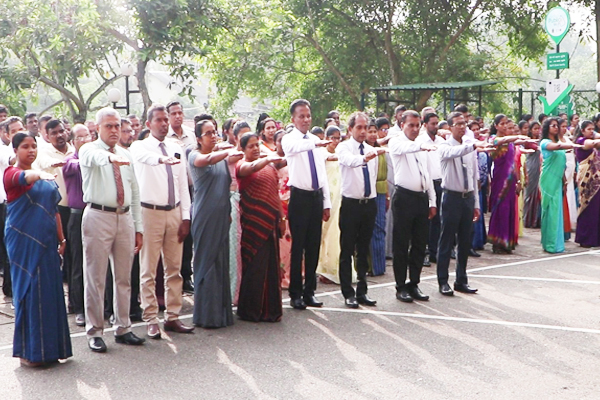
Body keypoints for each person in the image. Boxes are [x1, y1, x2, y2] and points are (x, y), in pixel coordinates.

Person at [80, 107, 146, 353]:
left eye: (117, 125)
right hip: (98, 216)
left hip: (124, 217)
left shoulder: (126, 154)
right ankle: (95, 331)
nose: (114, 130)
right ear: (97, 128)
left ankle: (123, 327)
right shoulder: (89, 149)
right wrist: (109, 158)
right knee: (96, 278)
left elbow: (135, 192)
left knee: (124, 277)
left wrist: (138, 227)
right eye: (109, 126)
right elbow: (94, 158)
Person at [4, 132, 72, 367]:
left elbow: (54, 210)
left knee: (50, 291)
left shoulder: (46, 177)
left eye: (34, 146)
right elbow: (25, 177)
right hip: (23, 241)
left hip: (48, 242)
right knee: (30, 291)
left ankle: (53, 350)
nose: (31, 150)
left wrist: (62, 239)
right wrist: (39, 174)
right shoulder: (11, 173)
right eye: (25, 146)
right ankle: (29, 353)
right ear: (15, 150)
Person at [130, 104, 194, 338]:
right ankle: (150, 317)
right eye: (159, 120)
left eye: (166, 119)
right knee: (148, 269)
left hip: (174, 212)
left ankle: (173, 316)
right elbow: (144, 158)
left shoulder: (176, 147)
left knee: (174, 269)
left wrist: (185, 217)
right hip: (150, 213)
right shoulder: (139, 146)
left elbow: (183, 185)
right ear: (149, 124)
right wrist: (161, 159)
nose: (164, 123)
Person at [189, 119, 241, 328]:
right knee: (207, 264)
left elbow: (226, 186)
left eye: (214, 132)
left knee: (221, 262)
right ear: (199, 138)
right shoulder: (194, 155)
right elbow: (207, 159)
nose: (213, 136)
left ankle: (222, 314)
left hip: (221, 216)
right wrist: (228, 151)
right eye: (208, 133)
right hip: (205, 217)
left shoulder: (222, 158)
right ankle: (207, 316)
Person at [282, 99, 332, 310]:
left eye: (308, 116)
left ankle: (310, 291)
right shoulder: (289, 139)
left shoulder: (314, 140)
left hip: (315, 197)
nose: (306, 120)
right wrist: (315, 143)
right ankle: (295, 293)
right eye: (301, 116)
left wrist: (326, 202)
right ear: (293, 119)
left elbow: (322, 173)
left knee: (313, 246)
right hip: (300, 197)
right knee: (298, 247)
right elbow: (295, 148)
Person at [437, 113, 490, 296]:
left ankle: (461, 279)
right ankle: (443, 280)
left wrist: (476, 203)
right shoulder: (445, 145)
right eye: (458, 124)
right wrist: (472, 145)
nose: (462, 127)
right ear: (450, 127)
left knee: (464, 241)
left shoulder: (469, 145)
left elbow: (473, 175)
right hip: (451, 197)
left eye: (464, 124)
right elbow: (452, 153)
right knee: (446, 240)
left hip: (467, 197)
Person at [388, 110, 437, 303]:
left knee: (419, 244)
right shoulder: (396, 142)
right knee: (401, 244)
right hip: (404, 197)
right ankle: (400, 286)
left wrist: (432, 201)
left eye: (418, 126)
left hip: (421, 198)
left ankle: (414, 283)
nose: (415, 129)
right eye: (411, 125)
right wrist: (421, 145)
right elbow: (405, 148)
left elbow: (427, 175)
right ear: (402, 125)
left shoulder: (421, 146)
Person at [336, 112, 384, 308]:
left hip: (368, 204)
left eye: (366, 128)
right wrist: (365, 158)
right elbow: (350, 161)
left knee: (364, 249)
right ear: (350, 129)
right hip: (351, 204)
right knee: (347, 248)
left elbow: (372, 177)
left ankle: (362, 290)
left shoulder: (372, 150)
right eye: (359, 128)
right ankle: (348, 292)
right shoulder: (343, 147)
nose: (363, 131)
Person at [235, 133, 284, 321]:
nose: (255, 149)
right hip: (253, 224)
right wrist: (267, 159)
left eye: (257, 145)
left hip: (270, 221)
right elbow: (251, 168)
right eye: (251, 146)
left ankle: (271, 311)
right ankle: (251, 311)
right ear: (242, 149)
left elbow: (275, 194)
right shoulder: (242, 165)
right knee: (254, 265)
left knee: (271, 265)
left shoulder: (269, 166)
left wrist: (281, 218)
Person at [34, 119, 75, 286]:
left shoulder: (74, 150)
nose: (59, 135)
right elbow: (44, 163)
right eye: (54, 133)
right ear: (47, 136)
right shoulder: (43, 152)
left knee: (75, 254)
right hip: (56, 209)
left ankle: (74, 294)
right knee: (57, 251)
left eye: (61, 131)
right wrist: (56, 163)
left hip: (76, 208)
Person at [62, 124, 93, 327]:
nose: (84, 140)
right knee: (78, 263)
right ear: (73, 142)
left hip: (97, 213)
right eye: (79, 138)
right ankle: (78, 307)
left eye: (87, 136)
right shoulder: (70, 160)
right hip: (77, 215)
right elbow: (74, 165)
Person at [487, 114, 531, 254]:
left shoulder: (512, 143)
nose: (505, 126)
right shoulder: (493, 140)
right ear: (496, 126)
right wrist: (518, 137)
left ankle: (508, 242)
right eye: (502, 123)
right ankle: (498, 243)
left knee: (510, 210)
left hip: (511, 181)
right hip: (500, 182)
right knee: (501, 209)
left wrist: (518, 181)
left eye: (506, 123)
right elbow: (502, 141)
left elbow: (513, 163)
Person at [166, 101, 195, 294]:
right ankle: (172, 278)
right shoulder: (165, 137)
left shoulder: (190, 135)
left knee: (188, 233)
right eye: (173, 113)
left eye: (180, 112)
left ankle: (186, 275)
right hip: (171, 191)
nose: (178, 116)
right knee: (174, 234)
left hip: (191, 190)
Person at [540, 118, 580, 253]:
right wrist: (573, 145)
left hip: (558, 180)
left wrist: (563, 179)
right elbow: (557, 147)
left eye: (557, 126)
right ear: (547, 128)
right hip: (548, 180)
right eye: (553, 126)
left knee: (557, 210)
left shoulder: (559, 142)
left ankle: (556, 243)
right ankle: (549, 244)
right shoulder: (545, 142)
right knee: (550, 210)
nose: (556, 128)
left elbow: (561, 161)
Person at [316, 126, 344, 284]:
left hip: (339, 198)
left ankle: (335, 269)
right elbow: (330, 158)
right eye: (333, 137)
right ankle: (322, 269)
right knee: (323, 232)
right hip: (326, 198)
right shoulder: (322, 153)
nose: (336, 141)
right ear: (326, 138)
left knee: (337, 232)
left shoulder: (341, 151)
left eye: (338, 138)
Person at [416, 112, 444, 266]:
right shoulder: (420, 142)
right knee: (426, 219)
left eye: (436, 123)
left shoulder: (441, 142)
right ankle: (424, 252)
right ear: (425, 125)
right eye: (432, 123)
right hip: (427, 184)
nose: (435, 126)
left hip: (441, 183)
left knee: (438, 220)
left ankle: (434, 251)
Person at [0, 117, 20, 297]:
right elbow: (12, 160)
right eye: (14, 131)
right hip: (8, 203)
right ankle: (10, 286)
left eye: (20, 129)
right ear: (6, 134)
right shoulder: (4, 150)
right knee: (10, 246)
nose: (18, 134)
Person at [365, 119, 387, 276]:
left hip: (380, 190)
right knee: (367, 229)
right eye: (369, 131)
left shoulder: (381, 150)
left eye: (374, 131)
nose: (372, 134)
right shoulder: (363, 151)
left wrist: (387, 195)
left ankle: (379, 267)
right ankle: (368, 266)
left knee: (379, 228)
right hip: (367, 191)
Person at [574, 120, 600, 247]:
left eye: (592, 129)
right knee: (588, 207)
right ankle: (585, 238)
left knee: (596, 209)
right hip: (586, 180)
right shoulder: (581, 141)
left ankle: (596, 238)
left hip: (596, 181)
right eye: (588, 129)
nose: (591, 131)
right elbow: (593, 143)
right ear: (582, 131)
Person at [274, 130, 292, 288]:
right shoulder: (272, 159)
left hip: (294, 204)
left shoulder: (293, 159)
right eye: (280, 140)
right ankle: (282, 277)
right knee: (283, 243)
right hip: (279, 205)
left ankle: (296, 275)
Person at [523, 121, 542, 228]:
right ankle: (528, 220)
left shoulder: (541, 140)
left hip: (539, 167)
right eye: (535, 129)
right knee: (529, 194)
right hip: (531, 168)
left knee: (538, 194)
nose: (537, 131)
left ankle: (536, 220)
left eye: (538, 128)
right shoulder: (528, 141)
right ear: (530, 130)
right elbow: (534, 147)